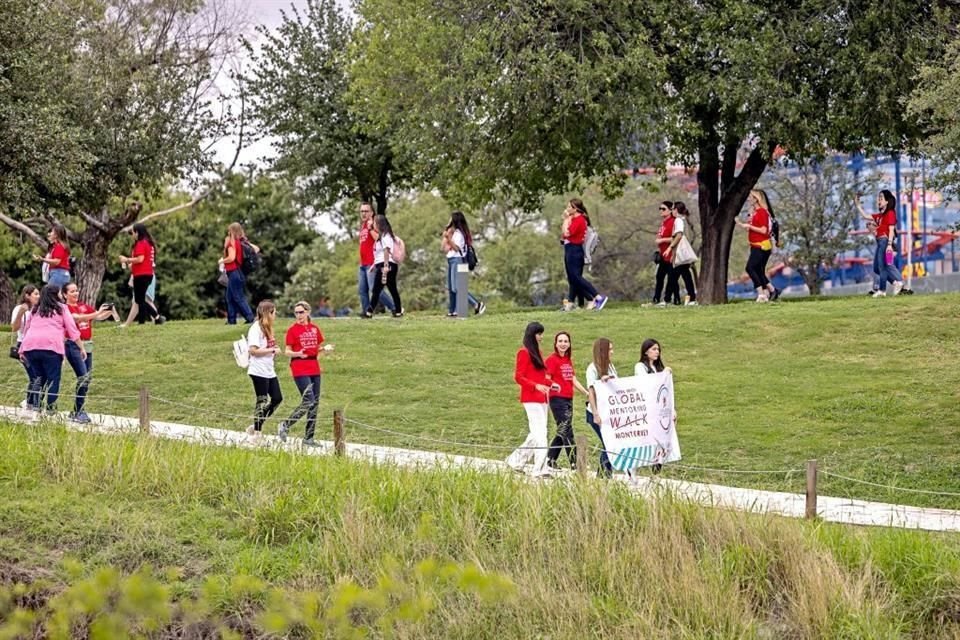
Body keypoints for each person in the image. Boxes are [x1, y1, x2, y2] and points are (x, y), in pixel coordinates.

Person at [18, 284, 83, 413]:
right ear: (55, 295)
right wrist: (81, 347)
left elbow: (26, 329)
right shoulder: (61, 308)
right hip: (51, 347)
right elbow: (72, 330)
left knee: (38, 378)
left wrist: (21, 349)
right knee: (54, 379)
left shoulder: (36, 309)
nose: (60, 295)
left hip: (31, 346)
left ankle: (36, 406)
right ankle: (50, 408)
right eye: (59, 293)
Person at [61, 282, 115, 423]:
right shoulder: (65, 308)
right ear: (65, 294)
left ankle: (77, 410)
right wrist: (97, 313)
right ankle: (79, 411)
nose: (76, 293)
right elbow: (77, 318)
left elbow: (96, 317)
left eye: (77, 290)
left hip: (88, 345)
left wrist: (109, 311)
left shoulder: (84, 306)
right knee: (83, 377)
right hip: (73, 345)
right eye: (72, 291)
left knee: (87, 378)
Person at [505, 322, 553, 477]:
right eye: (539, 334)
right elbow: (519, 376)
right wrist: (536, 386)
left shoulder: (537, 352)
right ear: (532, 335)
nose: (541, 337)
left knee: (536, 433)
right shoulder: (524, 353)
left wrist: (551, 384)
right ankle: (540, 468)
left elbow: (540, 375)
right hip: (531, 397)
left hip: (542, 397)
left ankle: (515, 460)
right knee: (540, 433)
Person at [278, 300, 328, 445]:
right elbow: (287, 351)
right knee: (308, 400)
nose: (298, 315)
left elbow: (315, 348)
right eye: (296, 312)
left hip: (314, 366)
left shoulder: (314, 329)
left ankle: (309, 437)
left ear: (308, 312)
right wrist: (297, 353)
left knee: (315, 403)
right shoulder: (293, 330)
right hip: (299, 367)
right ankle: (285, 425)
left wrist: (325, 349)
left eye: (301, 312)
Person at [545, 331, 589, 470]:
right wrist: (553, 385)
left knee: (562, 429)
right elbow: (546, 378)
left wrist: (586, 393)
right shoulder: (552, 360)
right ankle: (575, 462)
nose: (563, 344)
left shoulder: (568, 360)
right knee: (567, 429)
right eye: (560, 341)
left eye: (566, 341)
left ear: (569, 344)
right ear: (555, 343)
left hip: (568, 398)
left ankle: (551, 459)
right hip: (557, 399)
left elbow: (573, 379)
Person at [634, 338, 678, 474]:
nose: (657, 352)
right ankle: (633, 466)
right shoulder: (640, 367)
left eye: (658, 349)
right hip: (648, 407)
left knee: (662, 437)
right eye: (654, 349)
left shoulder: (657, 367)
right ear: (646, 351)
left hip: (660, 407)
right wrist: (663, 374)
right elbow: (647, 383)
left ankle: (657, 468)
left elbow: (665, 389)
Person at [561, 199, 608, 312]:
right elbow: (563, 235)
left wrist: (566, 219)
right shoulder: (573, 219)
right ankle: (571, 303)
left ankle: (597, 297)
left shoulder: (580, 220)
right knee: (572, 279)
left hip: (575, 250)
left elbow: (567, 233)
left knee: (576, 277)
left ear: (575, 209)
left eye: (569, 207)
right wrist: (567, 221)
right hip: (569, 248)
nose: (567, 209)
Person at [856, 190, 904, 297]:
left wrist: (889, 245)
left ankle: (883, 290)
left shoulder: (890, 213)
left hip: (886, 242)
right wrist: (858, 205)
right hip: (880, 242)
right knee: (876, 268)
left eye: (881, 198)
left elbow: (891, 230)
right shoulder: (879, 217)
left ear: (887, 201)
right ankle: (895, 283)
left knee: (885, 266)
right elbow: (865, 216)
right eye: (878, 198)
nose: (879, 200)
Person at [246, 300, 283, 437]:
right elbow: (253, 351)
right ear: (269, 313)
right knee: (261, 400)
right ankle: (257, 433)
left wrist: (273, 349)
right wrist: (272, 350)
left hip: (269, 370)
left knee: (277, 398)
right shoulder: (256, 328)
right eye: (274, 312)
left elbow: (268, 347)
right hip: (258, 370)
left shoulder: (268, 328)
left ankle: (256, 424)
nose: (276, 315)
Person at [737, 190, 780, 303]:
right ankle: (772, 290)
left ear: (756, 199)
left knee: (750, 268)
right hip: (755, 245)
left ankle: (761, 294)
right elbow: (753, 227)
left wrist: (749, 227)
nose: (748, 199)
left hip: (761, 245)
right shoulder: (755, 212)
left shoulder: (762, 212)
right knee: (758, 270)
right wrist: (745, 225)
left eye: (750, 197)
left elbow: (763, 230)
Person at [441, 211, 486, 317]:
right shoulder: (455, 232)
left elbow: (457, 248)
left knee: (458, 287)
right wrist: (447, 236)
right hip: (452, 260)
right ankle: (453, 311)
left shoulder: (459, 234)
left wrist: (448, 238)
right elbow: (444, 248)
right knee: (452, 287)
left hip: (457, 260)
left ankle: (477, 304)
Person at [119, 223, 164, 324]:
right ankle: (147, 320)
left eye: (133, 232)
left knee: (140, 300)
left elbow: (140, 259)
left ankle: (155, 318)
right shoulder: (147, 243)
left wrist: (126, 259)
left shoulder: (141, 243)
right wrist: (129, 263)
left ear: (137, 232)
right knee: (141, 299)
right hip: (147, 274)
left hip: (141, 275)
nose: (133, 234)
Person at [585, 337, 617, 478]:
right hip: (597, 412)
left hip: (608, 412)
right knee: (608, 443)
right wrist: (596, 413)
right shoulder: (592, 368)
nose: (612, 352)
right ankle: (604, 475)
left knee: (610, 443)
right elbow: (591, 392)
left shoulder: (610, 366)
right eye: (609, 349)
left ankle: (604, 474)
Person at [357, 202, 395, 315]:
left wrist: (370, 229)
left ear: (372, 213)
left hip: (372, 263)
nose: (363, 213)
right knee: (362, 290)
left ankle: (394, 307)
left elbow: (379, 239)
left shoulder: (373, 224)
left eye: (366, 211)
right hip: (363, 263)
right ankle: (366, 312)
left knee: (375, 289)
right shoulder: (362, 226)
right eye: (362, 211)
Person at [363, 215, 403, 318]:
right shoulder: (381, 237)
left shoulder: (386, 236)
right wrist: (373, 266)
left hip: (386, 265)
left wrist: (385, 266)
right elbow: (379, 254)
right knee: (391, 289)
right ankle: (398, 311)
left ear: (379, 225)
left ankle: (369, 312)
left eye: (375, 223)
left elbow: (386, 250)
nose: (373, 225)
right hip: (383, 264)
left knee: (377, 290)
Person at [219, 222, 258, 324]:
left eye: (229, 231)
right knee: (230, 297)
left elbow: (231, 257)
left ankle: (250, 318)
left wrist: (222, 261)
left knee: (238, 297)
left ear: (232, 231)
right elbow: (256, 249)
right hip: (237, 273)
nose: (227, 233)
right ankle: (231, 321)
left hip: (234, 273)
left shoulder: (232, 244)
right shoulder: (239, 242)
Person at [11, 285, 40, 409]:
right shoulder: (20, 308)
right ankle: (32, 403)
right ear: (27, 295)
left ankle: (30, 402)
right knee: (35, 376)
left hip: (36, 346)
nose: (38, 296)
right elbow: (14, 328)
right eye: (35, 294)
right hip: (24, 346)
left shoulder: (39, 309)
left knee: (37, 376)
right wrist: (21, 313)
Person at [664, 202, 698, 306]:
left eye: (673, 209)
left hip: (680, 253)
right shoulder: (684, 220)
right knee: (686, 276)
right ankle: (692, 297)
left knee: (673, 276)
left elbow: (678, 236)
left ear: (676, 210)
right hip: (683, 254)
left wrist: (670, 249)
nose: (672, 211)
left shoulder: (678, 220)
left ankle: (667, 299)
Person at [652, 202, 677, 307]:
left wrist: (662, 240)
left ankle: (671, 299)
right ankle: (656, 299)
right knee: (659, 277)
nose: (661, 211)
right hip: (663, 255)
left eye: (663, 209)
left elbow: (676, 237)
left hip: (670, 254)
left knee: (671, 278)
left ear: (670, 210)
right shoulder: (664, 223)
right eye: (660, 209)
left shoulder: (673, 222)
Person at [33, 224, 71, 288]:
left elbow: (57, 261)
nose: (49, 234)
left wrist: (42, 259)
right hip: (60, 274)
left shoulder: (59, 246)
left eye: (51, 232)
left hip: (58, 274)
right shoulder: (57, 246)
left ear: (56, 235)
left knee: (49, 294)